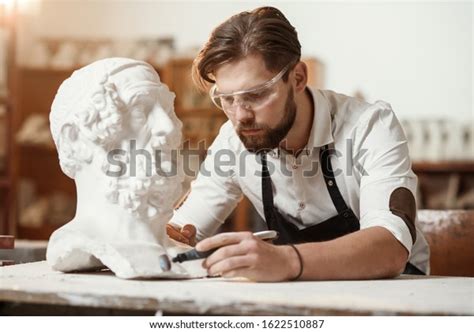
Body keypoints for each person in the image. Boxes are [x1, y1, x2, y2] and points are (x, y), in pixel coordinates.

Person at [167, 6, 429, 281]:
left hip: (394, 294)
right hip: (300, 296)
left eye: (256, 95)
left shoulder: (370, 126)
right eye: (227, 99)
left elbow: (390, 248)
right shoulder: (234, 141)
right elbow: (185, 229)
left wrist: (285, 260)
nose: (241, 115)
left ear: (298, 78)